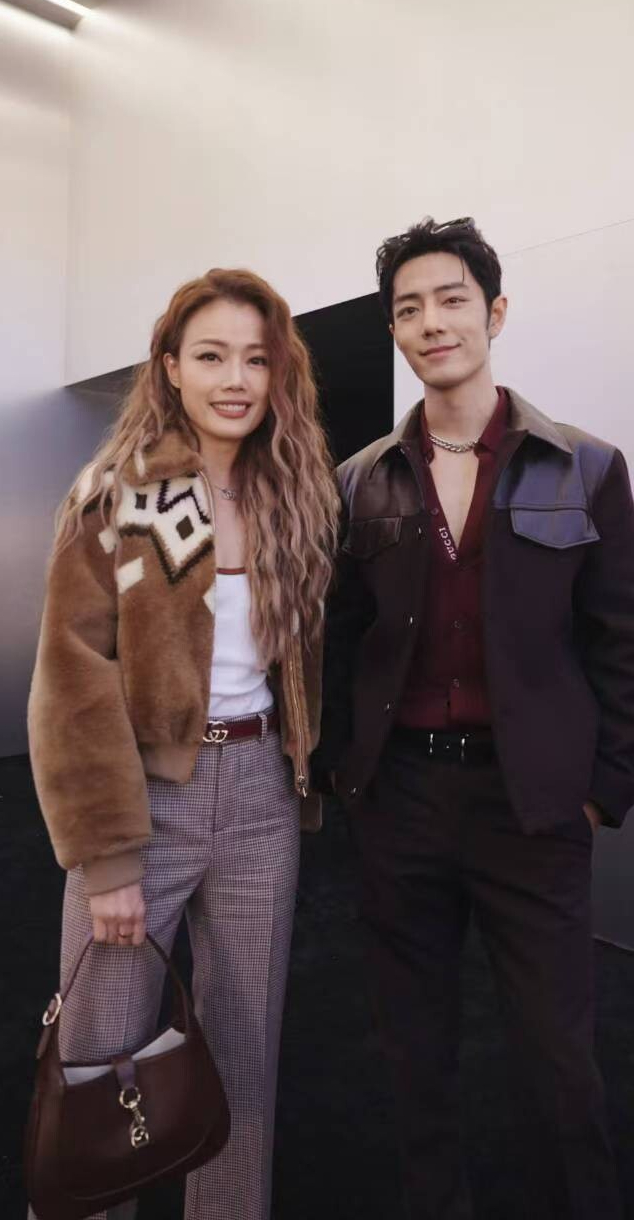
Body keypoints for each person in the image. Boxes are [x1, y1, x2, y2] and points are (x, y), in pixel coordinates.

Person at [313, 217, 633, 1219]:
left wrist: (601, 791)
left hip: (530, 806)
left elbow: (620, 641)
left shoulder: (586, 466)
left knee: (557, 1063)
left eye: (450, 299)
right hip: (399, 800)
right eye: (407, 308)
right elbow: (337, 641)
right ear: (394, 331)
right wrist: (345, 775)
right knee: (414, 1055)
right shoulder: (359, 479)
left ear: (493, 312)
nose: (430, 322)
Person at [27, 268, 339, 1220]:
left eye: (256, 359)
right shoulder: (118, 494)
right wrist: (108, 859)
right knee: (98, 1060)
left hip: (259, 798)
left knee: (244, 1057)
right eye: (210, 356)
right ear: (169, 367)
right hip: (143, 799)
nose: (235, 379)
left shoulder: (294, 495)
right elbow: (71, 681)